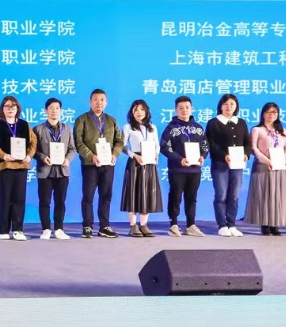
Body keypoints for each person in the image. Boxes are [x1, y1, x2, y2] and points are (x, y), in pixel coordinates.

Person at [73, 89, 124, 238]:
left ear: (106, 102)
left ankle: (104, 226)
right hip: (90, 164)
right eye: (95, 100)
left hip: (108, 164)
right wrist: (91, 156)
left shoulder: (111, 120)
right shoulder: (82, 119)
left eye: (102, 100)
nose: (99, 103)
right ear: (90, 102)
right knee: (88, 196)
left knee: (106, 195)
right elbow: (78, 142)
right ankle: (87, 226)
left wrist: (115, 154)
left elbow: (119, 141)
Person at [160, 95, 209, 237]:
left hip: (195, 170)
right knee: (175, 196)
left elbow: (205, 146)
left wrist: (203, 156)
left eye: (187, 107)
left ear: (192, 109)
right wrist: (179, 159)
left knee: (192, 197)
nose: (184, 110)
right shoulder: (171, 128)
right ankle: (173, 224)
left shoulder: (198, 128)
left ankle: (191, 225)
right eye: (181, 108)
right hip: (177, 169)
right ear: (176, 110)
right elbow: (164, 147)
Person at [0, 95, 36, 240]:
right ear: (2, 109)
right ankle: (4, 230)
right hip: (5, 166)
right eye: (7, 106)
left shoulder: (24, 124)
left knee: (19, 199)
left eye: (13, 106)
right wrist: (4, 156)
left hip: (21, 166)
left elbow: (33, 142)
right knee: (5, 199)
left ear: (17, 109)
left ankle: (18, 230)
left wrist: (29, 155)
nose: (10, 109)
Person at [246, 102, 286, 236]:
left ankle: (275, 225)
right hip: (263, 166)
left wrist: (285, 158)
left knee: (277, 195)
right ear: (263, 114)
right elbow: (254, 148)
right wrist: (266, 160)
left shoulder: (282, 130)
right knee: (263, 195)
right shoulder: (257, 130)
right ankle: (265, 225)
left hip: (279, 166)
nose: (271, 114)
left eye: (274, 112)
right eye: (268, 112)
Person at [205, 93, 249, 237]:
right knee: (221, 195)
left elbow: (247, 142)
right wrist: (224, 155)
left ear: (236, 106)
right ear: (220, 106)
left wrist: (246, 154)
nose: (228, 106)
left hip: (237, 165)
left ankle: (232, 224)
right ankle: (222, 225)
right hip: (220, 164)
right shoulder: (213, 123)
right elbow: (210, 143)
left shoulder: (241, 123)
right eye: (225, 104)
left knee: (234, 195)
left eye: (232, 104)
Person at [120, 99, 162, 237]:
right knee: (133, 193)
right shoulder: (128, 127)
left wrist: (155, 155)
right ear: (132, 112)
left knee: (147, 193)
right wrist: (134, 156)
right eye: (136, 110)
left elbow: (157, 145)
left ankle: (144, 225)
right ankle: (133, 226)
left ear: (146, 111)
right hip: (135, 162)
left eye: (142, 109)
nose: (139, 112)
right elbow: (122, 146)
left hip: (149, 163)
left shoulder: (152, 128)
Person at [35, 97, 75, 240]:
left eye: (57, 108)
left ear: (61, 111)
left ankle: (59, 228)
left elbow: (72, 148)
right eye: (51, 108)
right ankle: (46, 229)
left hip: (62, 171)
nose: (54, 111)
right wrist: (42, 157)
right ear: (46, 111)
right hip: (45, 171)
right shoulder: (38, 129)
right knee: (44, 202)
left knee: (60, 202)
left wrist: (67, 159)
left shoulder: (67, 129)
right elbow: (33, 150)